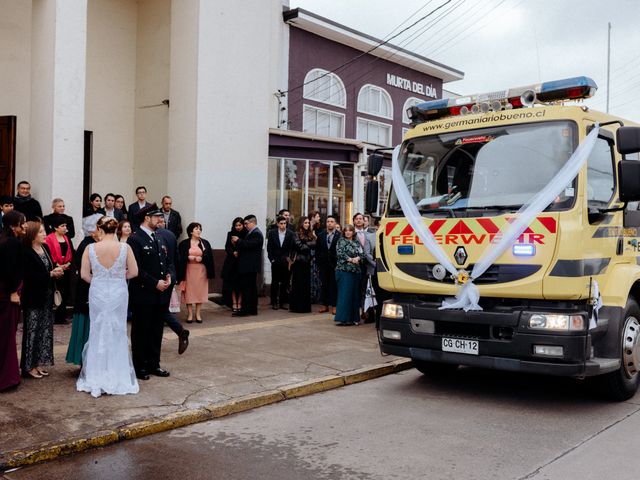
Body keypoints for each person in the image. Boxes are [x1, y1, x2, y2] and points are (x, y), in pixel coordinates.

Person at [77, 217, 139, 398]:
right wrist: (118, 277)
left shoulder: (90, 248)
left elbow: (83, 275)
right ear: (117, 229)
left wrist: (98, 280)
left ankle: (96, 374)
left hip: (97, 291)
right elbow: (134, 272)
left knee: (97, 329)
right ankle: (118, 375)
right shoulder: (125, 248)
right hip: (119, 291)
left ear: (100, 229)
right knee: (117, 329)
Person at [127, 203, 175, 380]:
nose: (160, 220)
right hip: (143, 293)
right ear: (147, 218)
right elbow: (136, 269)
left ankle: (154, 364)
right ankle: (140, 367)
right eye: (157, 217)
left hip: (160, 294)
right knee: (141, 331)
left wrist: (169, 276)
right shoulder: (135, 239)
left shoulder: (159, 237)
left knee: (156, 331)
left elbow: (167, 261)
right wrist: (155, 283)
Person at [20, 221, 64, 378]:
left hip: (46, 296)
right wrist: (50, 274)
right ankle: (28, 366)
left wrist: (56, 270)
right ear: (32, 235)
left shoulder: (43, 249)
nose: (45, 234)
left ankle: (37, 363)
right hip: (33, 297)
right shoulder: (26, 252)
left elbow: (46, 269)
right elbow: (30, 276)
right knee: (32, 331)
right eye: (41, 232)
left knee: (44, 330)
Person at [66, 214, 102, 366]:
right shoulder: (87, 245)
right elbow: (85, 271)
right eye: (99, 227)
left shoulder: (94, 243)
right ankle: (85, 359)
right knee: (86, 325)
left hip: (92, 288)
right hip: (87, 289)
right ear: (92, 229)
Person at [0, 211, 26, 391]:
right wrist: (13, 292)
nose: (25, 225)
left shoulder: (5, 241)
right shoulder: (12, 244)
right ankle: (6, 378)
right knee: (7, 334)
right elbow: (9, 270)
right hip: (7, 293)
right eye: (22, 222)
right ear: (12, 225)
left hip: (4, 291)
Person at [156, 217, 189, 354]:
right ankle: (181, 332)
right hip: (170, 275)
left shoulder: (157, 235)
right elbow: (176, 258)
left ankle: (181, 332)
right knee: (162, 310)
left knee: (159, 311)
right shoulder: (171, 234)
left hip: (160, 278)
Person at [178, 222, 215, 323]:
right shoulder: (184, 243)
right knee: (189, 292)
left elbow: (209, 258)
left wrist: (202, 259)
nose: (199, 231)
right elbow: (180, 258)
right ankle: (190, 314)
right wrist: (188, 257)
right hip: (189, 270)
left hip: (201, 270)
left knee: (199, 292)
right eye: (196, 229)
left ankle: (198, 314)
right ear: (191, 231)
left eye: (200, 229)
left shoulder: (205, 243)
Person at [232, 214, 263, 317]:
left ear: (252, 222)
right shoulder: (251, 233)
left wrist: (238, 241)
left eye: (246, 223)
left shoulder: (257, 233)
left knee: (247, 288)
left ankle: (245, 310)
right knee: (250, 288)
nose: (245, 225)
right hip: (249, 266)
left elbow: (249, 245)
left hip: (250, 266)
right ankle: (252, 309)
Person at [45, 216, 74, 325]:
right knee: (55, 292)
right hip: (54, 269)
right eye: (62, 226)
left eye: (65, 225)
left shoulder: (66, 238)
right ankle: (54, 316)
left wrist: (68, 263)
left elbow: (70, 252)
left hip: (66, 268)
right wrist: (57, 265)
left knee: (64, 293)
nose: (65, 228)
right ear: (56, 228)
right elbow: (49, 253)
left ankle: (61, 316)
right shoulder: (49, 238)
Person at [334, 224, 363, 326]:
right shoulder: (341, 241)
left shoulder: (356, 242)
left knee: (354, 295)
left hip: (356, 272)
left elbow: (361, 253)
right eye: (346, 231)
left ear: (353, 232)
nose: (348, 232)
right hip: (344, 271)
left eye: (350, 230)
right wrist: (351, 259)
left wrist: (358, 258)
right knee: (345, 295)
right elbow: (340, 254)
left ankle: (354, 318)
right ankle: (343, 319)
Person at [289, 217, 316, 313]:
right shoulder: (296, 234)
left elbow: (315, 243)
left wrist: (307, 244)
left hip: (307, 262)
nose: (307, 224)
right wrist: (309, 244)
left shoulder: (310, 233)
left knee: (305, 285)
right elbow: (299, 247)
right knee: (298, 284)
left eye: (308, 223)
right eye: (305, 223)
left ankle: (305, 307)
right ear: (301, 223)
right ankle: (296, 307)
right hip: (298, 262)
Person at [266, 215, 294, 310]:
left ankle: (282, 302)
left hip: (285, 261)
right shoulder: (272, 233)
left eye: (285, 223)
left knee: (285, 282)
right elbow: (269, 247)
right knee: (275, 282)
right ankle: (274, 302)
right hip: (276, 261)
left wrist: (290, 259)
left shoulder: (290, 233)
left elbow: (292, 248)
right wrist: (272, 259)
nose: (283, 225)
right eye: (281, 223)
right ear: (277, 224)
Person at [353, 212, 376, 323]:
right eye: (356, 219)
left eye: (360, 219)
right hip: (356, 266)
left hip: (368, 267)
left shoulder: (370, 234)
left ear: (364, 221)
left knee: (367, 290)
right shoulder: (351, 233)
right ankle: (356, 314)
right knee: (356, 290)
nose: (358, 220)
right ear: (354, 221)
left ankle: (366, 312)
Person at [316, 215, 340, 315]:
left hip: (335, 264)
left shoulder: (339, 235)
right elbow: (317, 251)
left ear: (335, 224)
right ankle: (324, 305)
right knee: (324, 285)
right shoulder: (321, 235)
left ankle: (334, 306)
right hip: (323, 264)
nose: (329, 223)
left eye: (331, 221)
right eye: (328, 221)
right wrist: (318, 264)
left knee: (334, 286)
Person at [221, 217, 245, 312]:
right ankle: (234, 303)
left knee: (241, 284)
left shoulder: (245, 234)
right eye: (236, 225)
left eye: (240, 225)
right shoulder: (230, 234)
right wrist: (233, 252)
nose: (238, 227)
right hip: (231, 262)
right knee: (232, 284)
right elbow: (227, 247)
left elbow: (246, 246)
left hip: (242, 262)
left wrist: (239, 252)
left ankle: (240, 302)